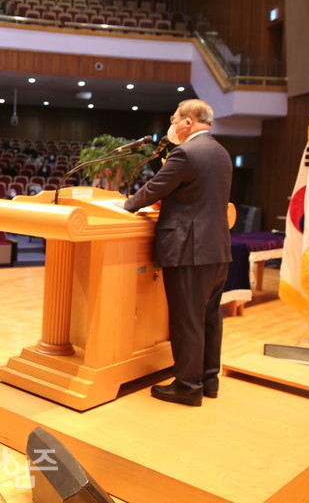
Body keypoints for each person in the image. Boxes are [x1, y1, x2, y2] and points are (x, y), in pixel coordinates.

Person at [121, 99, 232, 407]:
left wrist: (126, 205)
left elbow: (155, 187)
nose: (170, 125)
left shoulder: (185, 152)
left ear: (188, 122)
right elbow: (196, 194)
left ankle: (187, 386)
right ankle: (208, 379)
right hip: (217, 248)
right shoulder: (221, 153)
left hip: (188, 249)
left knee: (187, 320)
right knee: (209, 317)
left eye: (173, 119)